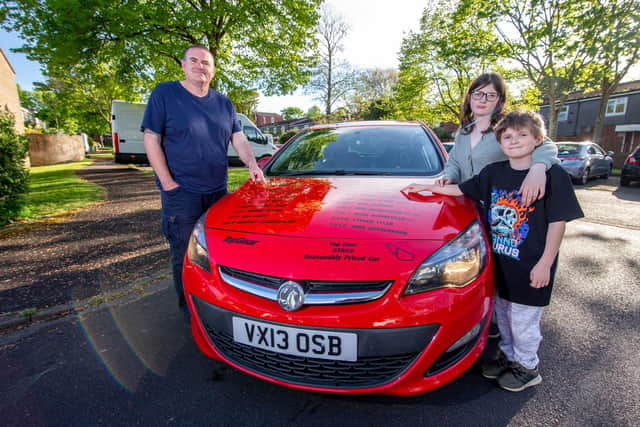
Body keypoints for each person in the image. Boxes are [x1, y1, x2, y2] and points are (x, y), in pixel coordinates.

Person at [403, 109, 584, 392]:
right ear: (500, 143)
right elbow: (462, 189)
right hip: (501, 264)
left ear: (538, 139)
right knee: (504, 314)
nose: (514, 141)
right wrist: (426, 188)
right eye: (508, 136)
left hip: (530, 266)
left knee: (523, 321)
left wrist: (545, 263)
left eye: (522, 135)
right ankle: (509, 357)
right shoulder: (494, 173)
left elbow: (557, 223)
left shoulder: (553, 175)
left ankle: (527, 367)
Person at [403, 72, 558, 339]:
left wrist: (539, 168)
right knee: (473, 264)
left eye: (490, 94)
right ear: (470, 97)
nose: (482, 99)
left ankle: (506, 325)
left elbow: (545, 143)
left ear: (499, 100)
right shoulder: (464, 132)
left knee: (504, 262)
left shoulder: (505, 128)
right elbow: (454, 162)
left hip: (504, 209)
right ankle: (489, 315)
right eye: (478, 93)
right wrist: (447, 176)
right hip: (469, 205)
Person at [141, 45, 265, 314]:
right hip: (181, 193)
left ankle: (221, 308)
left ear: (213, 70)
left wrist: (252, 164)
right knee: (185, 256)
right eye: (194, 61)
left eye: (206, 62)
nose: (200, 66)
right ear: (183, 66)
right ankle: (190, 312)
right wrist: (168, 183)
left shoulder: (224, 103)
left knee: (218, 253)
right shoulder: (165, 93)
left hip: (217, 192)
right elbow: (151, 138)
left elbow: (239, 138)